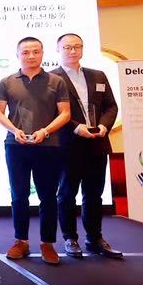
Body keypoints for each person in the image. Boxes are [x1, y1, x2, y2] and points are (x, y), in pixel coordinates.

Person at [0, 36, 70, 265]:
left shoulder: (56, 81)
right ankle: (21, 241)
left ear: (42, 53)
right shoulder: (7, 82)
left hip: (48, 146)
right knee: (19, 195)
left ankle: (47, 243)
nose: (31, 56)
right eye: (25, 52)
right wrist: (14, 130)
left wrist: (45, 131)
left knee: (47, 196)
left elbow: (65, 113)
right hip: (16, 145)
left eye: (35, 51)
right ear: (17, 55)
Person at [51, 33, 122, 259]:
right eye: (67, 47)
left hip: (97, 142)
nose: (73, 51)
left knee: (94, 194)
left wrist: (104, 126)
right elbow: (52, 112)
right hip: (67, 144)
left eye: (77, 46)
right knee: (66, 194)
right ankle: (70, 238)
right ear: (58, 50)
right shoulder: (51, 78)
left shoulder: (97, 75)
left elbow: (111, 106)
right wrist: (75, 127)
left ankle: (94, 238)